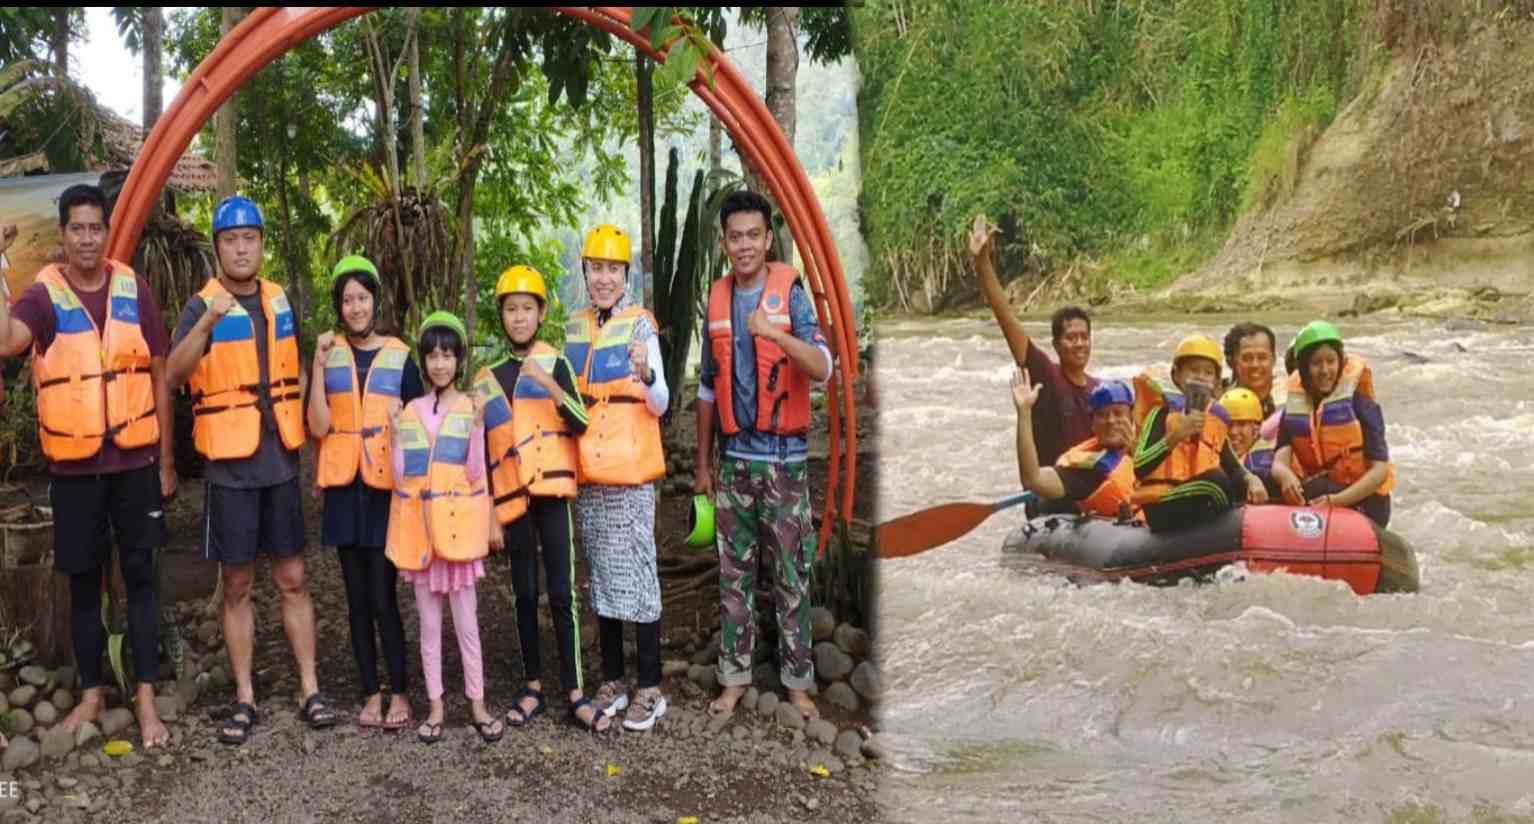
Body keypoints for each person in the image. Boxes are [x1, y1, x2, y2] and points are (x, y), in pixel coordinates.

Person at [0, 185, 174, 747]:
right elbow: (7, 341)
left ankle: (146, 702)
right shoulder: (43, 296)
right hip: (75, 471)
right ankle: (92, 694)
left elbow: (159, 373)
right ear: (62, 235)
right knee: (82, 585)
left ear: (105, 230)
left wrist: (166, 461)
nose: (87, 238)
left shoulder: (134, 287)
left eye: (95, 227)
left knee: (143, 580)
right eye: (76, 228)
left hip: (134, 463)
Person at [165, 194, 335, 745]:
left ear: (260, 244)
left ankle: (310, 688)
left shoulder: (279, 299)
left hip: (278, 461)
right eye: (231, 240)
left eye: (250, 239)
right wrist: (208, 322)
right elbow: (173, 373)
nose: (241, 248)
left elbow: (295, 369)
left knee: (293, 578)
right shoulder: (201, 305)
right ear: (217, 248)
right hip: (229, 468)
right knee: (237, 585)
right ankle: (244, 697)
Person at [695, 191, 834, 721]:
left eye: (754, 234)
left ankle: (799, 682)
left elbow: (822, 364)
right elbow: (708, 390)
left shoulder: (790, 292)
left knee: (791, 576)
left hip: (785, 459)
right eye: (736, 236)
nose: (745, 244)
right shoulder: (718, 299)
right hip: (734, 460)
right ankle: (733, 678)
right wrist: (704, 467)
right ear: (725, 242)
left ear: (768, 239)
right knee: (734, 575)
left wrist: (774, 332)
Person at [473, 266, 605, 732]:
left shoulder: (556, 363)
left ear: (541, 313)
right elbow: (482, 454)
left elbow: (581, 422)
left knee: (562, 593)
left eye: (528, 308)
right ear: (502, 317)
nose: (520, 317)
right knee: (524, 595)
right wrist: (489, 511)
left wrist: (547, 384)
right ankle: (533, 686)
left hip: (552, 496)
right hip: (513, 499)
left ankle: (574, 690)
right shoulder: (486, 379)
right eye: (511, 309)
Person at [307, 255, 423, 730]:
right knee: (354, 600)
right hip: (342, 489)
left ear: (375, 301)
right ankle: (369, 693)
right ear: (339, 305)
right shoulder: (327, 353)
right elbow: (316, 424)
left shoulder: (399, 354)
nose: (355, 307)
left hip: (383, 491)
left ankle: (400, 690)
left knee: (382, 595)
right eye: (347, 299)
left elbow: (420, 429)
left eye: (362, 297)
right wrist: (315, 366)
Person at [564, 225, 671, 731]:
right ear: (585, 271)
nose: (604, 279)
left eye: (613, 269)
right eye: (596, 268)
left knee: (640, 577)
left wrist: (647, 374)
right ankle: (612, 679)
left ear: (626, 274)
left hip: (629, 474)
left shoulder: (640, 328)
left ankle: (649, 686)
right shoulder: (574, 328)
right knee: (602, 579)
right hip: (591, 474)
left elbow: (662, 401)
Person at [385, 311, 501, 744]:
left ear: (459, 360)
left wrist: (475, 428)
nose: (440, 364)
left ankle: (478, 704)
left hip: (458, 540)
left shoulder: (471, 408)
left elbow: (475, 474)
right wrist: (395, 436)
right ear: (423, 361)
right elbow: (401, 480)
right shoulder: (410, 411)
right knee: (429, 629)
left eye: (448, 355)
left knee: (468, 626)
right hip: (421, 541)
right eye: (432, 355)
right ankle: (435, 707)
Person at [970, 214, 1098, 466]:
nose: (1080, 343)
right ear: (1056, 345)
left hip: (1089, 493)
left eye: (1084, 337)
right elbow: (1008, 321)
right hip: (1052, 493)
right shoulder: (1047, 376)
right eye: (1071, 338)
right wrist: (983, 263)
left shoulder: (1099, 390)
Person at [1131, 334, 1267, 532]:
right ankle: (1231, 529)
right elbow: (1140, 466)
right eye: (1193, 370)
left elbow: (1233, 467)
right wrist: (1176, 435)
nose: (1201, 376)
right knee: (1217, 482)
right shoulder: (1161, 411)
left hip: (1200, 502)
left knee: (1238, 483)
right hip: (1161, 504)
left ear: (1216, 381)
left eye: (1208, 372)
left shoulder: (1218, 419)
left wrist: (1251, 480)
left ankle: (1240, 533)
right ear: (1177, 375)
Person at [1270, 321, 1395, 527]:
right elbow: (1279, 462)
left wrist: (1337, 501)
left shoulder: (1362, 405)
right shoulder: (1294, 410)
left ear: (1340, 363)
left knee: (1317, 488)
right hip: (1324, 491)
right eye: (1316, 363)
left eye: (1331, 361)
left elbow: (1380, 470)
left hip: (1367, 500)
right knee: (1274, 482)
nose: (1325, 370)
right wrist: (1285, 477)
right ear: (1303, 368)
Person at [1011, 371, 1136, 519]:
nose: (1110, 421)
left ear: (1132, 419)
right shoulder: (1089, 471)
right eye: (1102, 415)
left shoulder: (1151, 448)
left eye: (1118, 413)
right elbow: (1033, 479)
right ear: (1093, 426)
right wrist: (1024, 413)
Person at [1219, 387, 1278, 497]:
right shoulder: (1212, 460)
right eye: (1228, 425)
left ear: (1256, 429)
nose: (1233, 432)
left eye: (1241, 424)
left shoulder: (1273, 461)